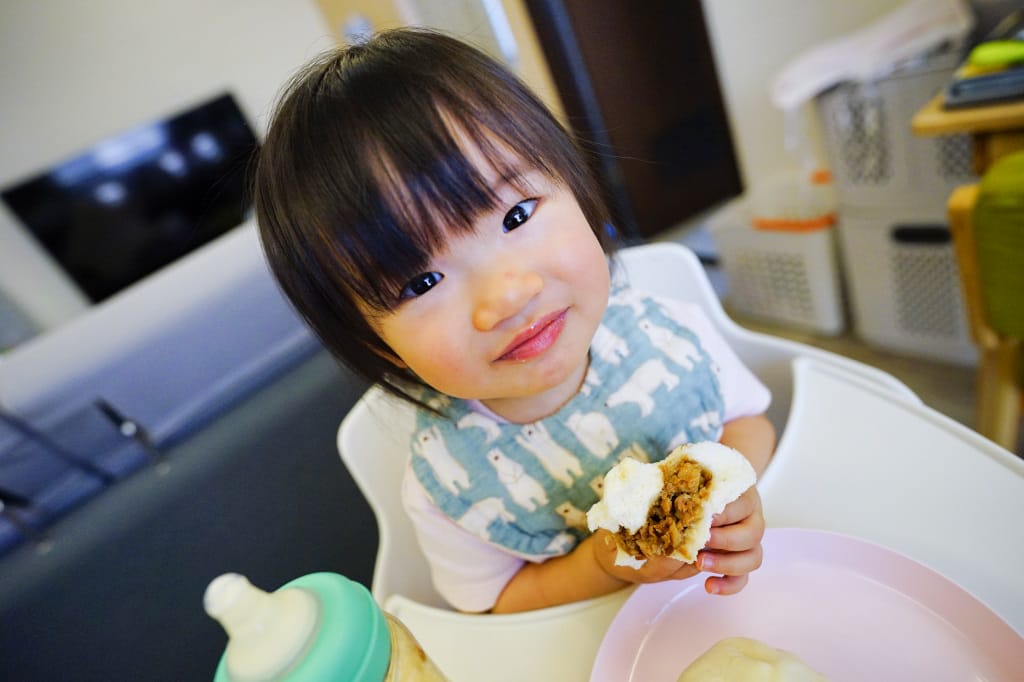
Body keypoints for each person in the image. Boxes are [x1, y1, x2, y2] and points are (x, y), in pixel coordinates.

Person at [254, 28, 776, 614]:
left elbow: (748, 424)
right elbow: (497, 602)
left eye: (516, 215)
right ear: (382, 348)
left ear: (576, 186)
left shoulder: (666, 334)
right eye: (422, 282)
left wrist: (729, 502)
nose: (506, 297)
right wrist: (602, 565)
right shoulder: (449, 485)